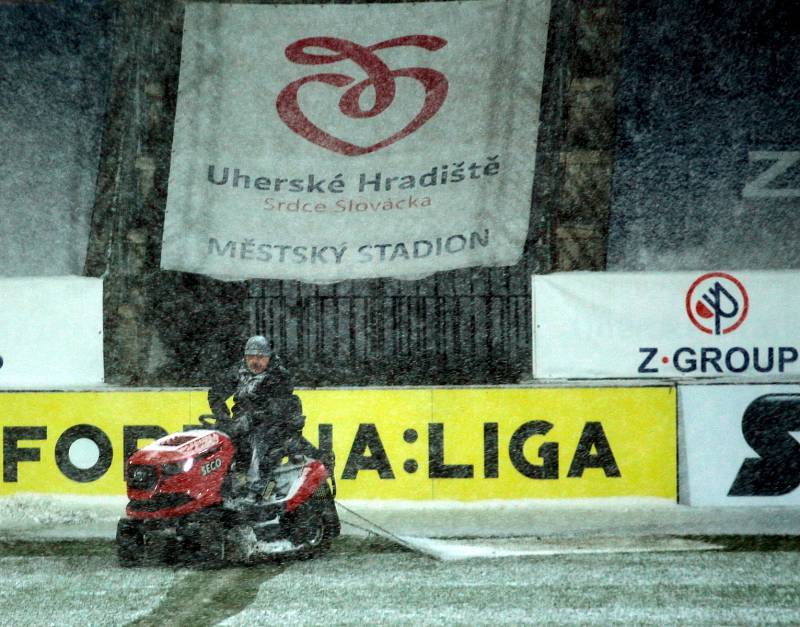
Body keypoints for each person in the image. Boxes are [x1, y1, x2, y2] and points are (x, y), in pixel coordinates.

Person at [207, 335, 313, 498]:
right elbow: (215, 394)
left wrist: (253, 418)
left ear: (269, 358)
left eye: (260, 357)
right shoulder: (238, 371)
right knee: (216, 445)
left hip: (274, 425)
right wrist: (223, 417)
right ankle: (223, 488)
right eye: (250, 357)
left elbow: (278, 407)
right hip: (241, 422)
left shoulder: (279, 375)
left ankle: (264, 492)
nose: (255, 361)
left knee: (261, 449)